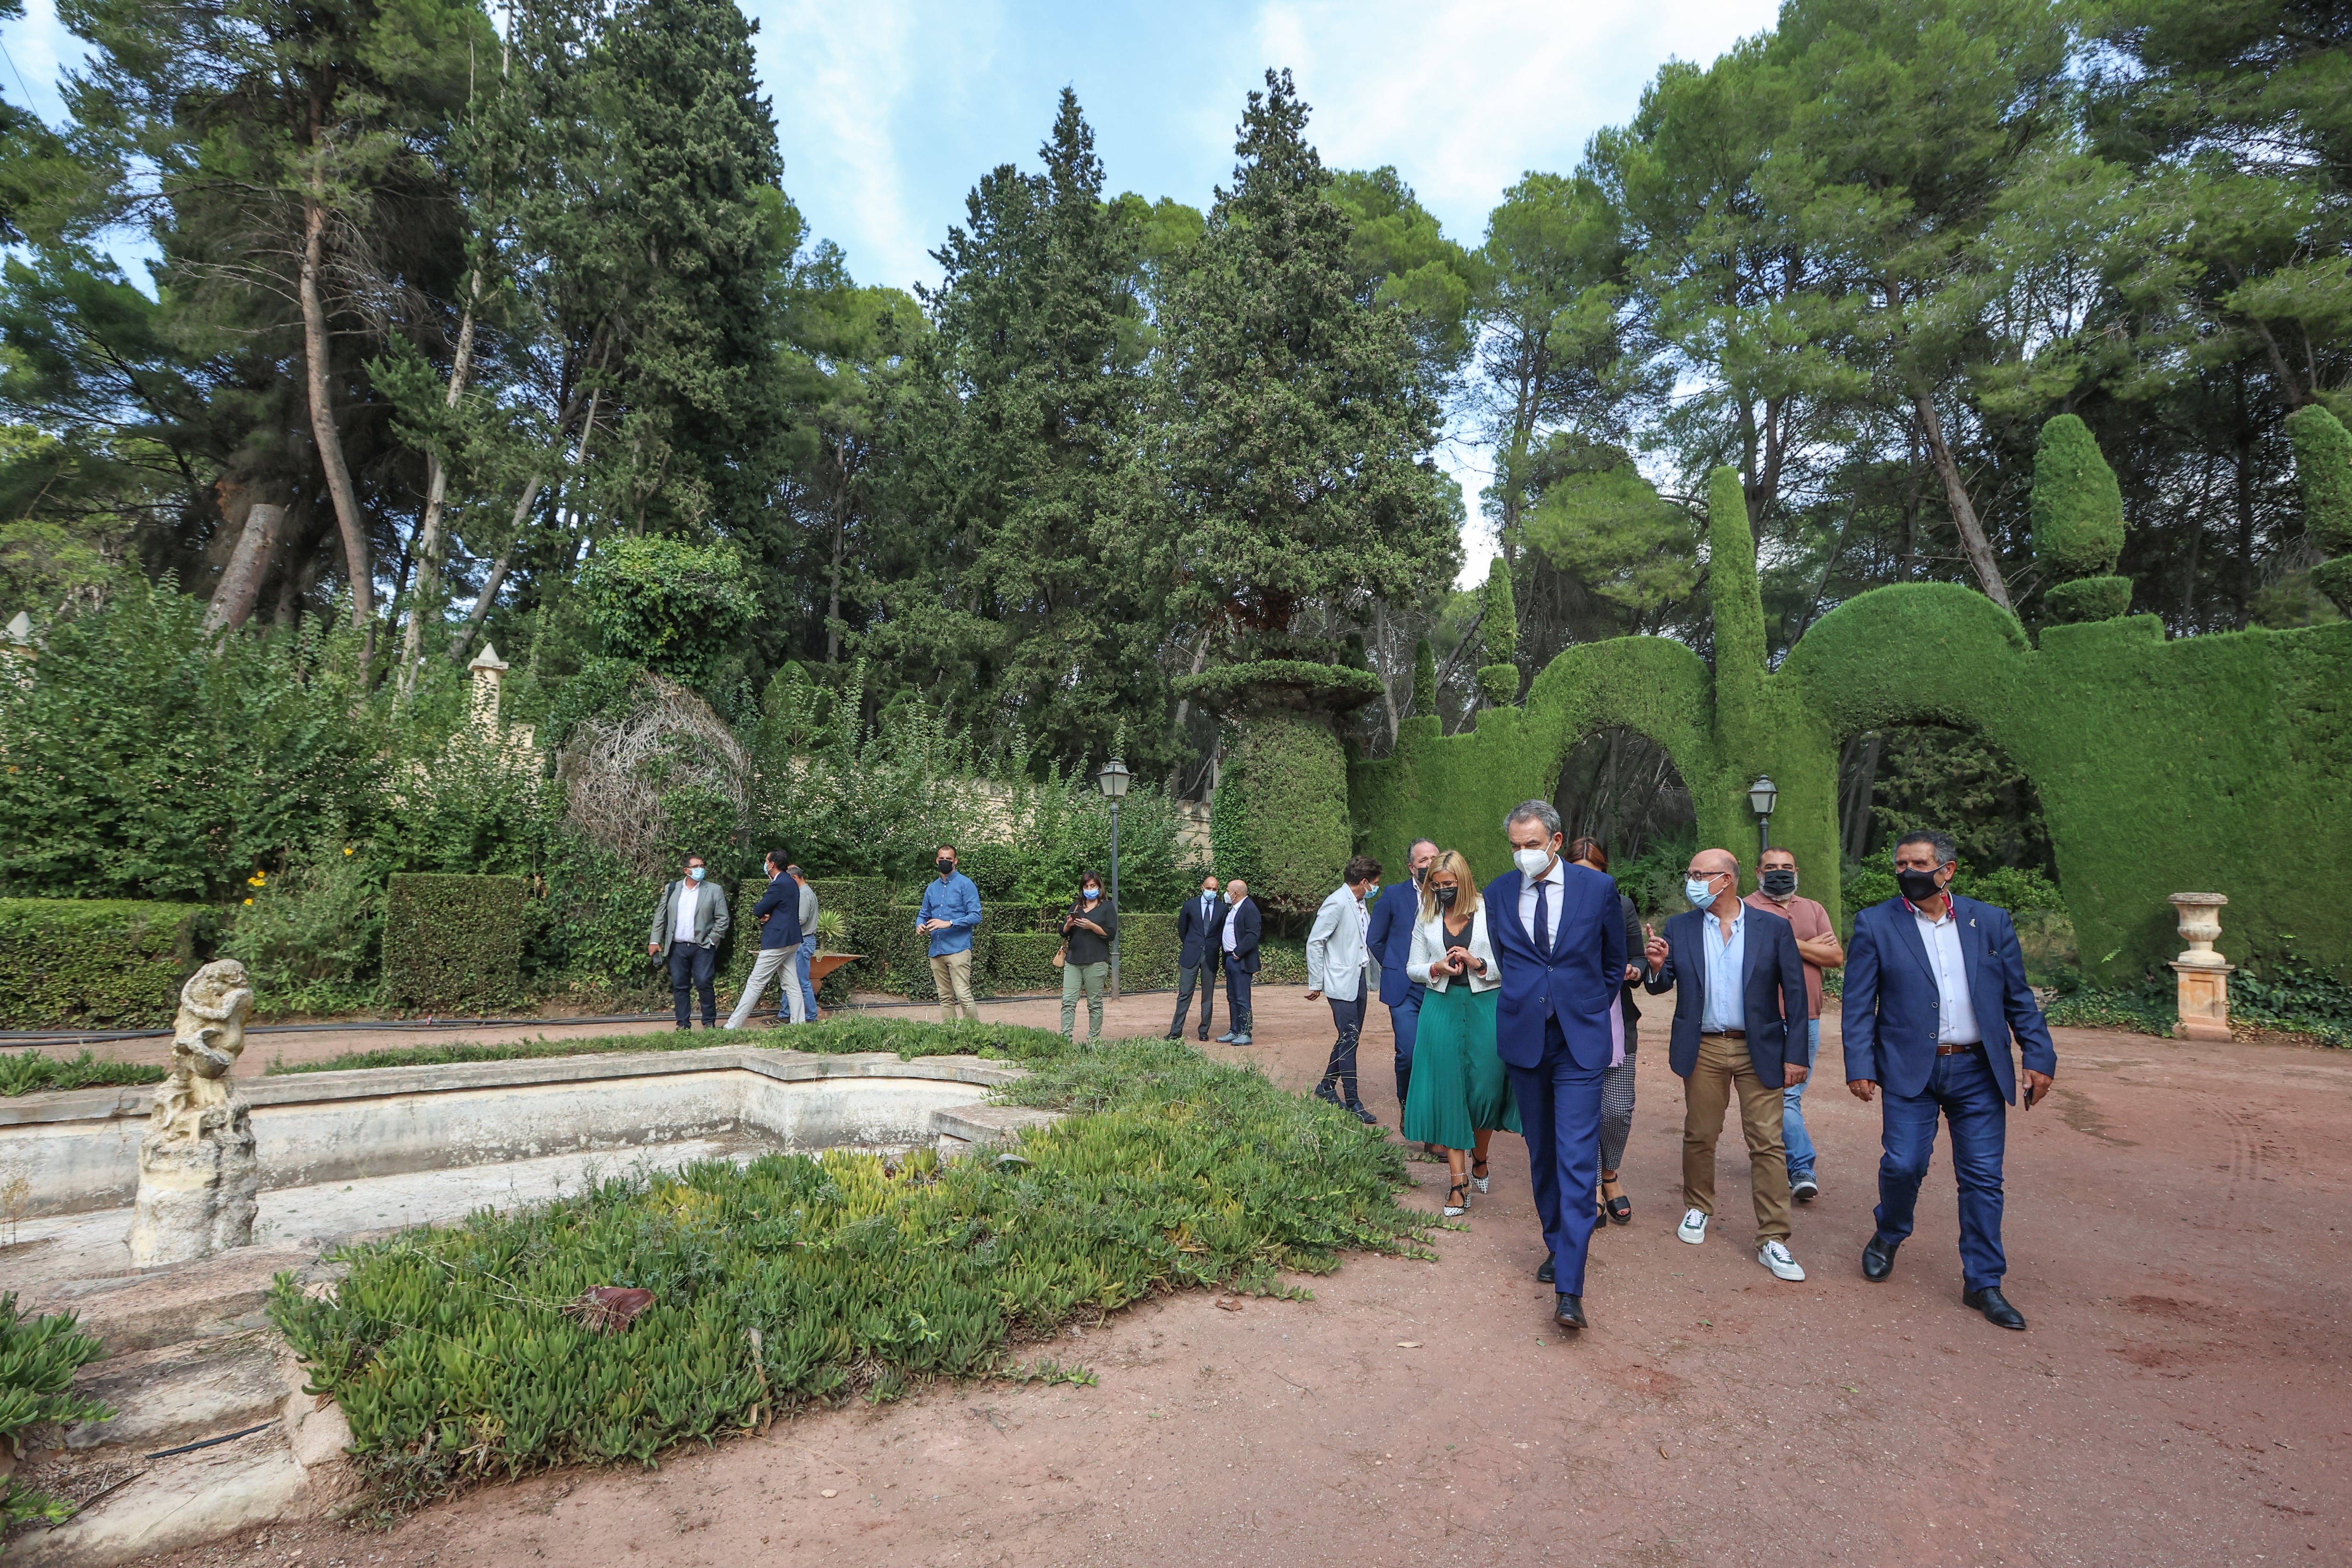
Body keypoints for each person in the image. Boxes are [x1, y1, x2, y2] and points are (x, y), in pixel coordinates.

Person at [1843, 828, 2058, 1331]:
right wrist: (1859, 1064)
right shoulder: (1875, 923)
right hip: (1906, 1068)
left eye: (1917, 864)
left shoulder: (1990, 922)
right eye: (1899, 866)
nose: (1907, 874)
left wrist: (2038, 1055)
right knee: (1902, 1164)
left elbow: (2017, 998)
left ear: (1947, 870)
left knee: (1982, 1178)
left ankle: (1982, 1282)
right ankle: (1890, 1231)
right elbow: (1857, 1005)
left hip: (1979, 1069)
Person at [1485, 800, 1626, 1333]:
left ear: (1556, 841)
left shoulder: (1597, 890)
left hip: (1578, 1043)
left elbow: (1613, 961)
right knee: (1541, 1153)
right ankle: (1556, 1245)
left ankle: (1570, 1287)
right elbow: (1506, 956)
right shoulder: (1499, 892)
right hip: (1525, 1039)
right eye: (1515, 846)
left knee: (1573, 1156)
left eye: (1531, 845)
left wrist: (1587, 1004)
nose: (1522, 854)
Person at [1641, 848, 1810, 1282]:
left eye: (1703, 874)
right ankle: (1698, 1207)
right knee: (1700, 1134)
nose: (1693, 880)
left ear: (1728, 879)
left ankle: (1774, 1237)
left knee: (1767, 1143)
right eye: (1691, 872)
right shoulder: (1680, 926)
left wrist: (1796, 1055)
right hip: (1704, 1047)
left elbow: (1796, 993)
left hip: (1761, 1049)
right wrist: (1657, 967)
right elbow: (1661, 986)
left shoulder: (1773, 928)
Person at [1403, 850, 1518, 1217]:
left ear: (1463, 881)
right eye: (1436, 886)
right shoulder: (1427, 915)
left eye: (1448, 886)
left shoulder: (1491, 911)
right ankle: (1458, 1182)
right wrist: (1435, 968)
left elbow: (1513, 963)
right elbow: (1412, 967)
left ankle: (1481, 1157)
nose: (1442, 892)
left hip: (1487, 1005)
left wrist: (1477, 962)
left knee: (1485, 1088)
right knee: (1448, 1091)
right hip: (1441, 1008)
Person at [1746, 845, 1843, 1202]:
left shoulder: (1813, 909)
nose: (1779, 871)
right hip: (1765, 1018)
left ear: (1797, 869)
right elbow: (1752, 954)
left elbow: (1834, 956)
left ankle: (1772, 1152)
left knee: (1790, 1093)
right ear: (1758, 872)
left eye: (1786, 866)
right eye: (1771, 867)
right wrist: (1806, 945)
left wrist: (1787, 943)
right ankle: (1802, 1166)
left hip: (1809, 1018)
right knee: (1784, 1095)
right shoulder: (1747, 908)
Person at [1567, 839, 1645, 1225]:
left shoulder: (1622, 905)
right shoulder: (1555, 907)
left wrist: (1634, 969)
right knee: (1584, 1110)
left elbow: (1638, 956)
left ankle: (1611, 1171)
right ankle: (1595, 1185)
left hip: (1615, 1018)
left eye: (1593, 874)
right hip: (1569, 1020)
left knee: (1617, 1110)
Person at [1366, 838, 1439, 1128]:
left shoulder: (1449, 893)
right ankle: (1408, 1107)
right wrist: (1396, 966)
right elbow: (1375, 938)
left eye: (1435, 857)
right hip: (1405, 990)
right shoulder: (1393, 895)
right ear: (1412, 867)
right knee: (1409, 1053)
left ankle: (1433, 1122)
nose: (1430, 864)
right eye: (1424, 861)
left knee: (1437, 1055)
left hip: (1439, 987)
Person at [1305, 855, 1383, 1124]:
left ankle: (1326, 1086)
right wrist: (1317, 983)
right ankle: (1353, 1101)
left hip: (1358, 978)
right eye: (1374, 883)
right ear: (1364, 882)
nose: (1376, 887)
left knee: (1351, 1038)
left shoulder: (1360, 903)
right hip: (1339, 982)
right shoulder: (1337, 902)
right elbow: (1315, 942)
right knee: (1349, 1038)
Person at [647, 853, 731, 1032]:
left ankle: (709, 1022)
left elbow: (723, 919)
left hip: (702, 946)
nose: (700, 869)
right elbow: (660, 916)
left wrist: (712, 939)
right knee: (680, 985)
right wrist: (655, 940)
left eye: (702, 866)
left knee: (704, 982)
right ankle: (683, 1025)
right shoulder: (672, 889)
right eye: (696, 867)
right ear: (686, 870)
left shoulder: (714, 890)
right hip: (677, 946)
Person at [725, 851, 806, 1029]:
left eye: (766, 862)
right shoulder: (790, 881)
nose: (765, 864)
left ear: (773, 865)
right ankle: (800, 1025)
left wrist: (763, 915)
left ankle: (732, 1026)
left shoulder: (778, 884)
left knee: (755, 983)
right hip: (791, 940)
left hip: (777, 940)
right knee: (792, 984)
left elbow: (759, 908)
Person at [916, 845, 982, 1025]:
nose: (945, 862)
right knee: (944, 997)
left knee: (963, 995)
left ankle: (975, 1035)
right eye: (941, 859)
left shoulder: (966, 884)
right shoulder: (931, 889)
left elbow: (976, 916)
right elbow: (923, 914)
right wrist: (920, 925)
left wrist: (950, 923)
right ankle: (951, 1035)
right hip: (936, 950)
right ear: (937, 860)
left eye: (949, 859)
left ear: (955, 861)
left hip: (958, 949)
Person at [1059, 872, 1119, 1043]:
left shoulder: (1107, 907)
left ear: (1099, 887)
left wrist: (1092, 926)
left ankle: (1093, 1041)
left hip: (1096, 961)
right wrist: (1069, 924)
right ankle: (1065, 1041)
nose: (1089, 890)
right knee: (1068, 1002)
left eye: (1093, 886)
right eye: (1086, 887)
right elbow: (1062, 932)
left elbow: (1111, 934)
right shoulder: (1076, 907)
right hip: (1073, 960)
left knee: (1094, 1004)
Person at [1168, 874, 1226, 1041]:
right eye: (1209, 888)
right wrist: (1191, 945)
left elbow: (1222, 933)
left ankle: (1204, 1031)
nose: (1212, 891)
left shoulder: (1222, 909)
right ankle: (1176, 1031)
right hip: (1191, 954)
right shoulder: (1190, 905)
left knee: (1208, 996)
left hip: (1211, 956)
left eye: (1215, 889)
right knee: (1184, 994)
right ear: (1202, 888)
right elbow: (1182, 929)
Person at [1213, 880, 1260, 1047]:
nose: (1226, 894)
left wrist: (1238, 952)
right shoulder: (1234, 909)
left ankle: (1246, 1032)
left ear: (1236, 893)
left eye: (1227, 891)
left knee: (1242, 998)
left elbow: (1254, 935)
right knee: (1232, 997)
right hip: (1230, 960)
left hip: (1241, 960)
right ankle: (1234, 1030)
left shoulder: (1249, 909)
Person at [786, 864, 821, 1024]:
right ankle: (785, 1014)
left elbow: (801, 919)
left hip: (803, 941)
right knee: (790, 979)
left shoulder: (804, 894)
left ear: (794, 878)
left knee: (801, 981)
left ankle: (811, 1016)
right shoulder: (805, 892)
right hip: (802, 941)